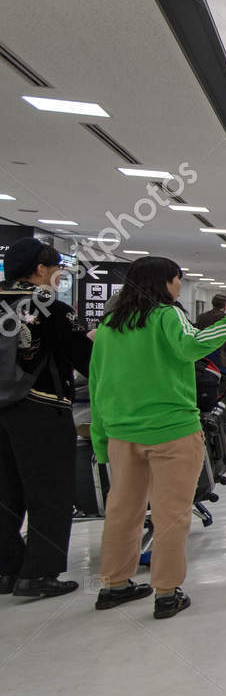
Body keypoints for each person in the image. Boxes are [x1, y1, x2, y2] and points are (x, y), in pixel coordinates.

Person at [89, 257, 226, 616]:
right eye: (178, 279)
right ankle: (166, 593)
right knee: (172, 513)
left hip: (122, 434)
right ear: (164, 282)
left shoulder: (109, 325)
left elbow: (97, 382)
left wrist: (100, 437)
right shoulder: (167, 315)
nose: (180, 285)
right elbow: (191, 345)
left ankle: (114, 585)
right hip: (172, 431)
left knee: (122, 510)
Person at [0, 239, 93, 599]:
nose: (58, 278)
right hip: (40, 408)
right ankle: (38, 573)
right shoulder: (50, 307)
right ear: (40, 270)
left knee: (5, 492)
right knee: (49, 491)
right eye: (57, 271)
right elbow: (86, 359)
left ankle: (6, 569)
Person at [196, 293, 226, 396]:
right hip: (223, 357)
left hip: (203, 356)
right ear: (225, 305)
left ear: (213, 303)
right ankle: (224, 400)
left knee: (206, 380)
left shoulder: (201, 317)